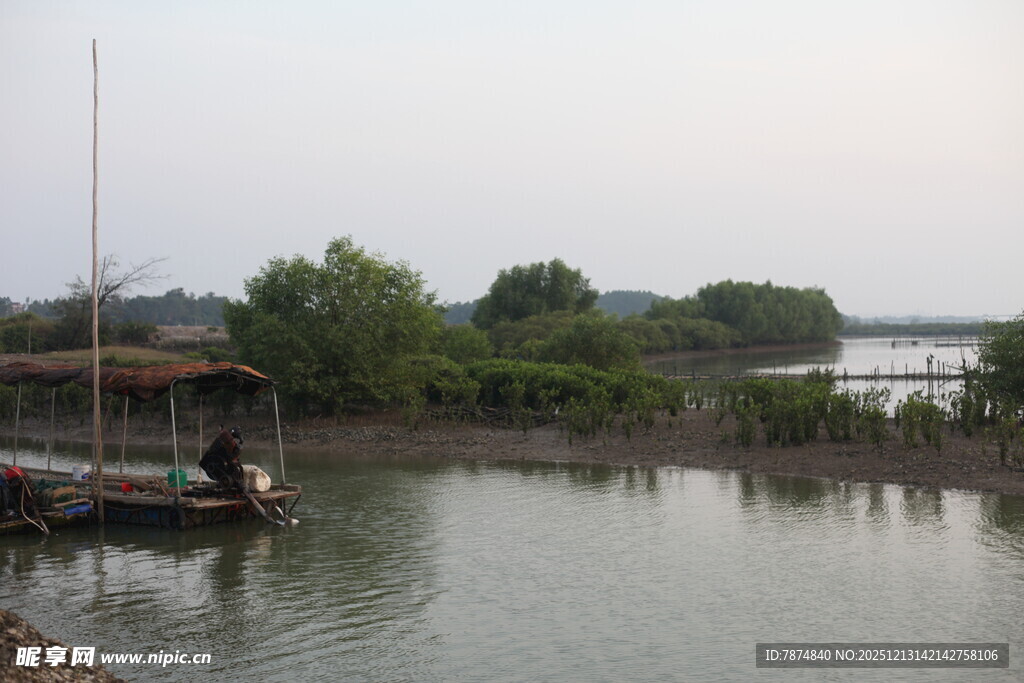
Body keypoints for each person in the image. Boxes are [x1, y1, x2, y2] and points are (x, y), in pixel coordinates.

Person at [200, 425, 245, 489]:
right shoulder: (225, 440)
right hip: (217, 462)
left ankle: (235, 483)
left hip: (224, 459)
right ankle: (232, 483)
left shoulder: (228, 440)